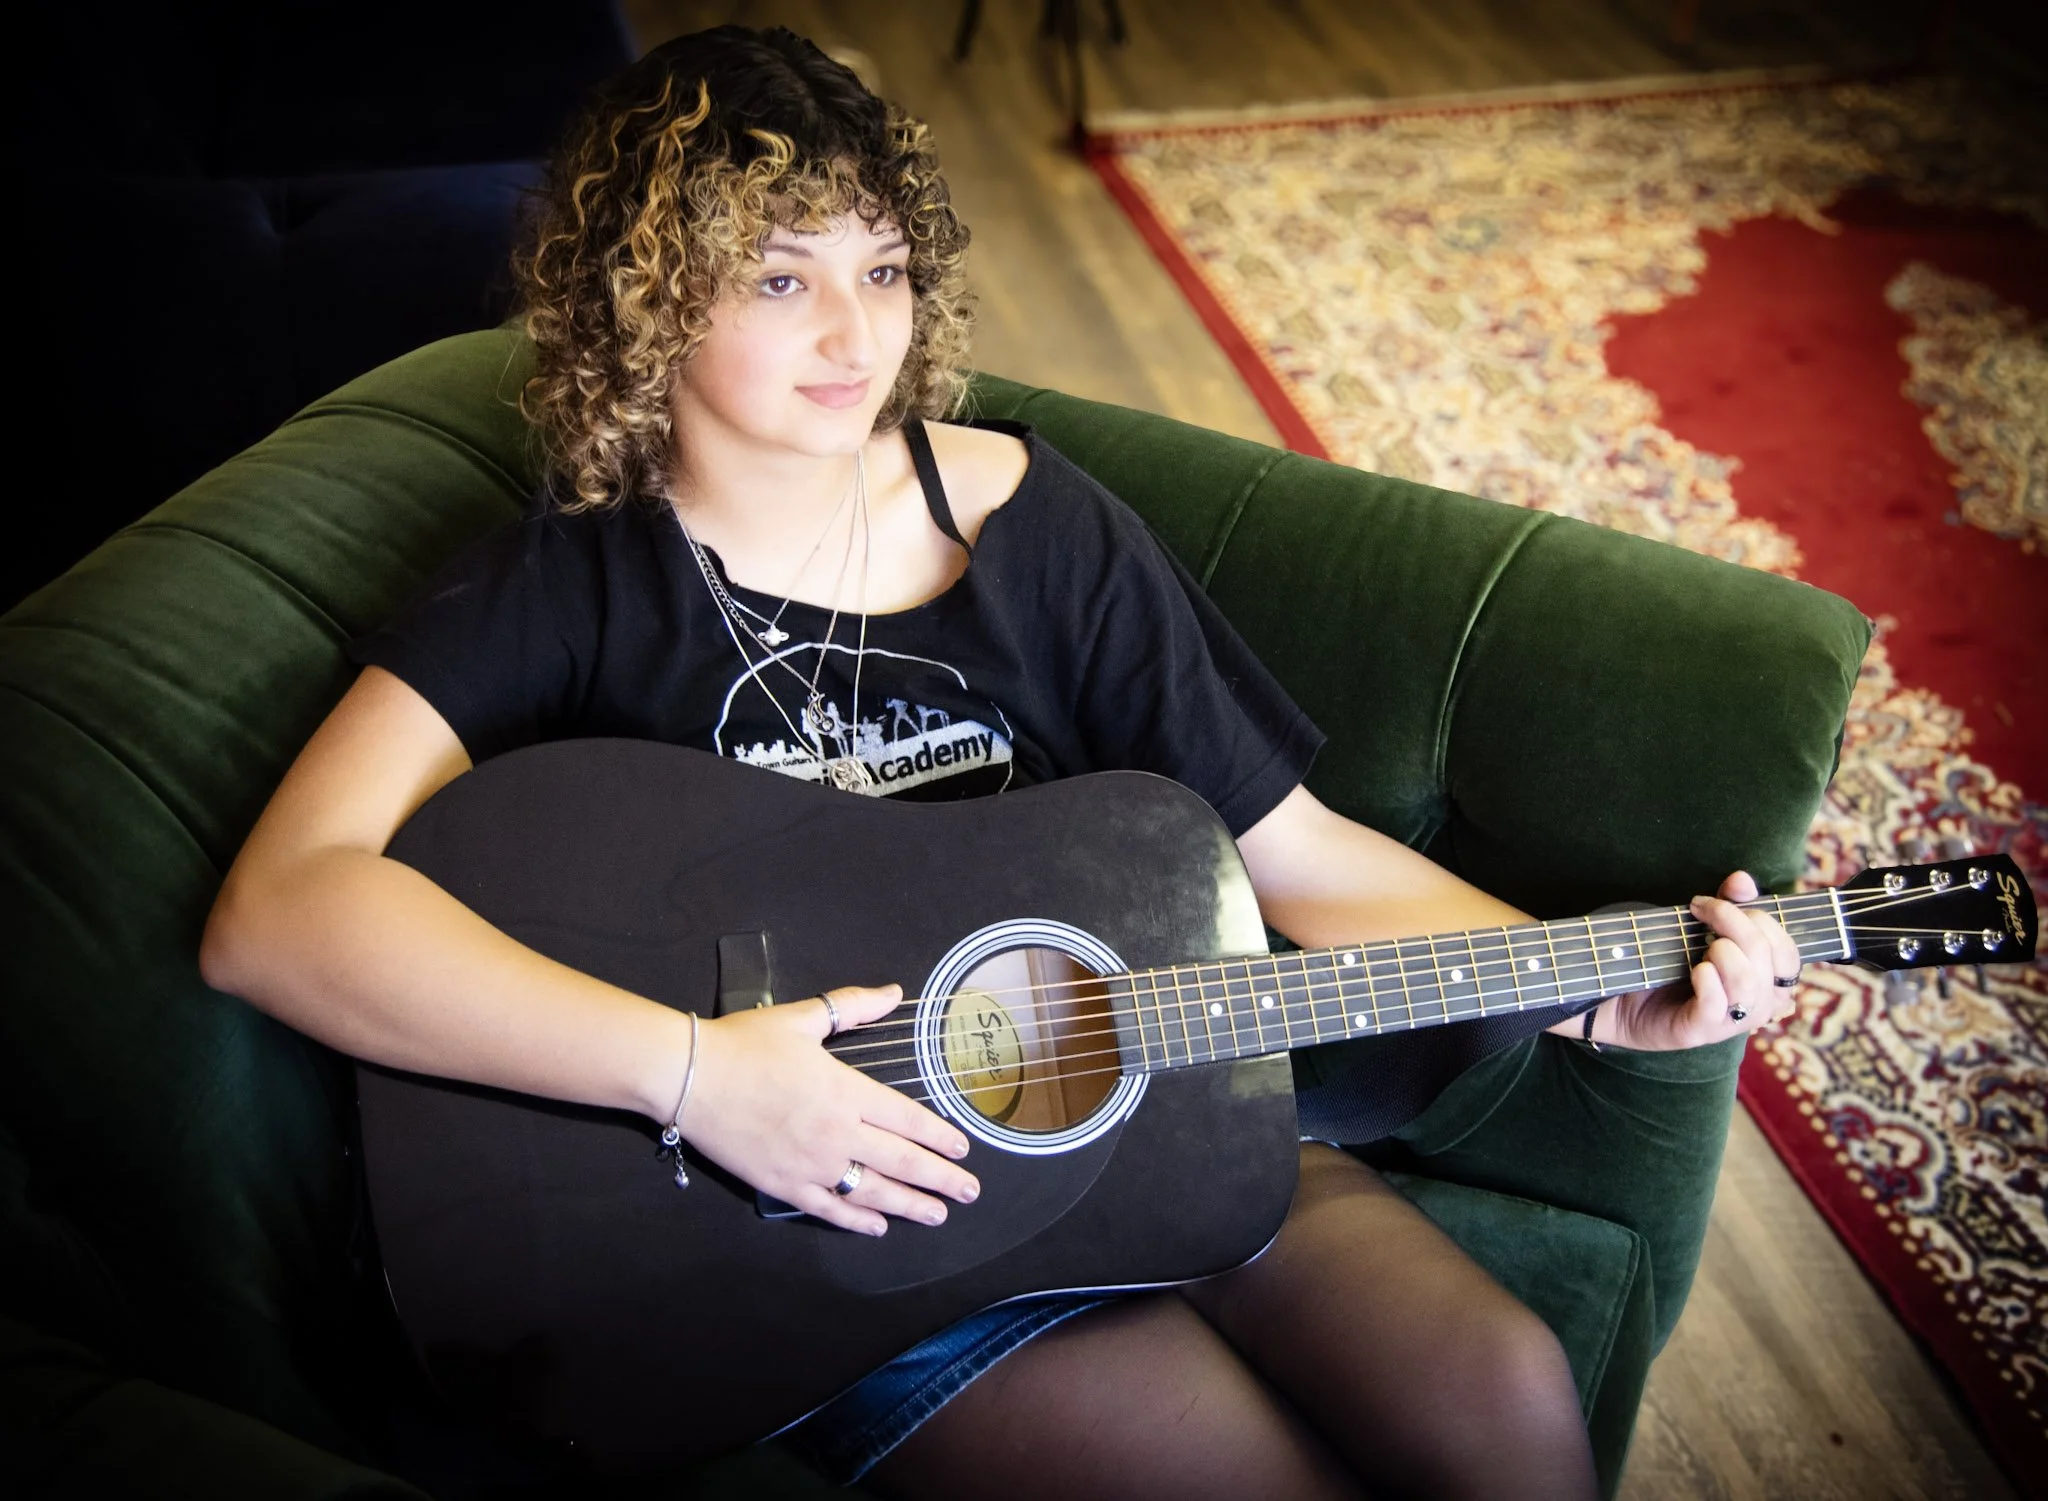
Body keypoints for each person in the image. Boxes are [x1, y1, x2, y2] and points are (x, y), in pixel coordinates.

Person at [200, 26, 1803, 1500]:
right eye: (779, 281)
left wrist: (1584, 985)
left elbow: (1298, 860)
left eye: (886, 268)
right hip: (856, 1224)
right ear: (646, 292)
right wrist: (696, 1079)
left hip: (1174, 1115)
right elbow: (280, 910)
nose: (855, 335)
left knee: (1507, 1400)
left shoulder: (1040, 531)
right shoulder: (567, 589)